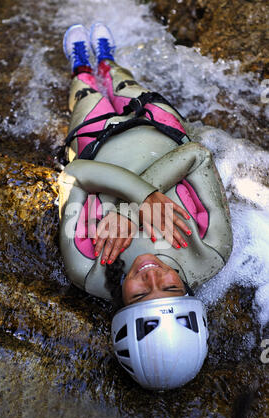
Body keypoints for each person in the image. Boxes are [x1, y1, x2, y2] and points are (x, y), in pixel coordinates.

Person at [58, 23, 233, 390]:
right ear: (187, 295)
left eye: (140, 293)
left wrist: (136, 200)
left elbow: (73, 174)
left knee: (85, 90)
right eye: (169, 288)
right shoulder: (211, 251)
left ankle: (81, 67)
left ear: (121, 305)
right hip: (158, 122)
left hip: (94, 135)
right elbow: (198, 155)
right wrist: (138, 201)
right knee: (122, 80)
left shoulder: (87, 269)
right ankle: (107, 59)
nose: (151, 275)